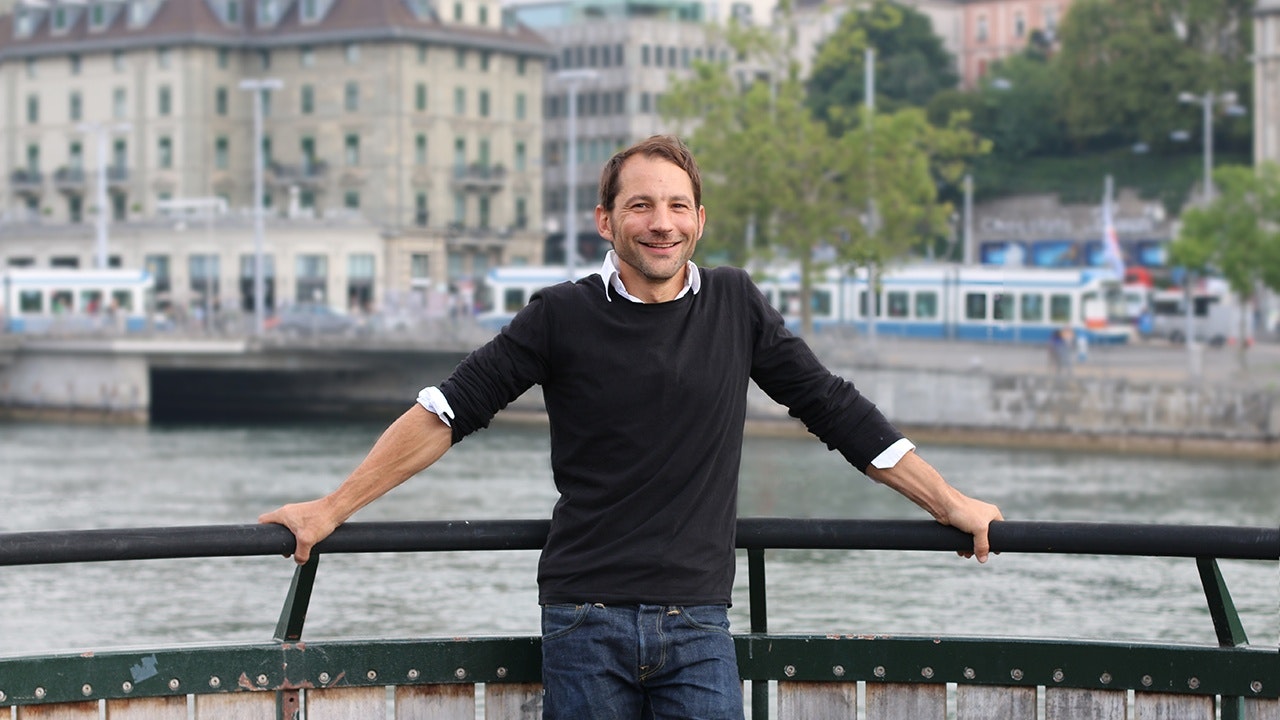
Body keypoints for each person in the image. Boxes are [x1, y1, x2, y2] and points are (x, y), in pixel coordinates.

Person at [259, 135, 1003, 720]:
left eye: (679, 206)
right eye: (642, 206)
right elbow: (447, 410)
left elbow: (838, 411)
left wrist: (951, 504)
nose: (662, 223)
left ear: (700, 221)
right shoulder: (561, 314)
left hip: (698, 619)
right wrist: (331, 509)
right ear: (606, 220)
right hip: (584, 618)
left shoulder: (736, 306)